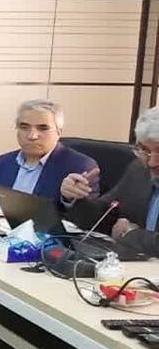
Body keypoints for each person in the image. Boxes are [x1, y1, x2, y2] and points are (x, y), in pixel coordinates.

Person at [62, 106, 159, 258]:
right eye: (145, 150)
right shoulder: (138, 170)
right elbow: (103, 218)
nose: (152, 162)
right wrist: (75, 197)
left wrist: (131, 234)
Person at [0, 99, 97, 204]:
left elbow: (90, 216)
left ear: (58, 132)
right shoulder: (3, 162)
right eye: (24, 127)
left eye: (43, 128)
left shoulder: (79, 166)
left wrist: (68, 199)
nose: (32, 136)